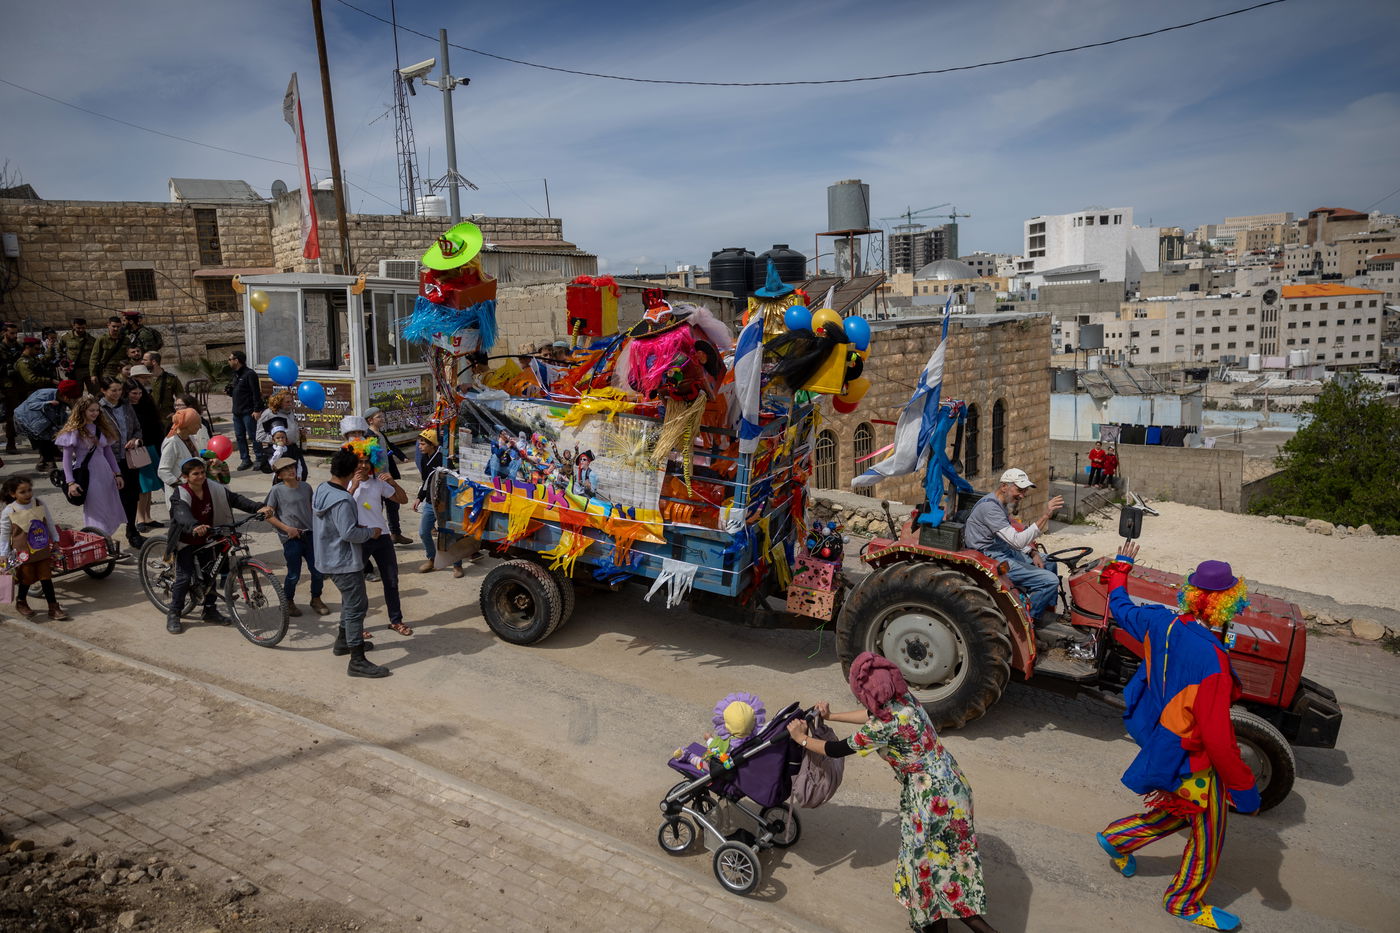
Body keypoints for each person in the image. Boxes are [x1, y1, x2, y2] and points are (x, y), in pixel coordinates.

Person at [1095, 541, 1260, 932]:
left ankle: (1118, 838)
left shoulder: (1161, 621)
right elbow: (1219, 738)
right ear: (1228, 603)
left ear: (1192, 595)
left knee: (1181, 809)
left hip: (1162, 736)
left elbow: (1121, 607)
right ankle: (1184, 902)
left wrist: (1120, 571)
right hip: (1193, 753)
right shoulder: (1213, 661)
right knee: (1209, 827)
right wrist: (1244, 785)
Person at [787, 652, 1000, 933]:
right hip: (953, 784)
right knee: (948, 866)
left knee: (927, 870)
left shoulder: (883, 726)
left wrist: (801, 738)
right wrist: (833, 715)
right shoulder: (904, 700)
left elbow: (835, 750)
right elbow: (872, 714)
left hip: (930, 800)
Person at [963, 468, 1076, 642]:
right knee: (1050, 580)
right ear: (1004, 487)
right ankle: (1030, 623)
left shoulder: (1000, 505)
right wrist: (1046, 515)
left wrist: (1032, 551)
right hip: (990, 556)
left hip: (1003, 549)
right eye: (1019, 490)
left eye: (1024, 491)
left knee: (1050, 562)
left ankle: (1046, 610)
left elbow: (1009, 539)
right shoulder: (990, 508)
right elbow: (1016, 541)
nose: (1022, 495)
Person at [163, 457, 271, 635]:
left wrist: (258, 507)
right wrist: (194, 526)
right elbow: (181, 513)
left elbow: (236, 499)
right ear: (185, 477)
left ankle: (210, 610)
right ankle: (174, 612)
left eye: (202, 473)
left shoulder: (214, 488)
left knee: (211, 574)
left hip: (210, 537)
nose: (200, 477)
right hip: (187, 540)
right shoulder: (181, 493)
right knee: (183, 577)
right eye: (195, 474)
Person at [312, 449, 390, 678]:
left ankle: (343, 642)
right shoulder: (343, 499)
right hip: (343, 560)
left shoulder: (323, 488)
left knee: (350, 602)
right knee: (357, 607)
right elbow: (348, 533)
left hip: (328, 556)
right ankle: (357, 660)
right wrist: (371, 533)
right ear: (350, 471)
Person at [348, 442, 412, 637]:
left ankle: (396, 621)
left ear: (373, 463)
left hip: (382, 536)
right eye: (359, 462)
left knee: (391, 580)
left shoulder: (379, 482)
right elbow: (340, 507)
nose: (363, 466)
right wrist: (354, 487)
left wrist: (393, 483)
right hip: (359, 538)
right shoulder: (347, 483)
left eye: (367, 462)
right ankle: (357, 626)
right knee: (356, 584)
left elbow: (403, 500)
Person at [264, 456, 329, 618]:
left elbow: (313, 510)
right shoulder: (276, 491)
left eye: (292, 467)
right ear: (279, 475)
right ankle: (288, 601)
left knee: (318, 570)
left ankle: (316, 598)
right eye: (285, 469)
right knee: (294, 573)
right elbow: (268, 515)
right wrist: (287, 529)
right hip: (291, 538)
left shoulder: (306, 487)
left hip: (310, 534)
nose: (290, 471)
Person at [55, 394, 126, 538]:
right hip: (87, 475)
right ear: (82, 411)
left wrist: (117, 474)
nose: (95, 413)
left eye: (97, 410)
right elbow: (66, 459)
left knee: (109, 508)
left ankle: (106, 542)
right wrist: (70, 482)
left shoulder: (101, 428)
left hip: (105, 474)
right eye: (91, 410)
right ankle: (100, 542)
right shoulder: (73, 431)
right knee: (95, 511)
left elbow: (108, 453)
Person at [0, 474, 68, 621]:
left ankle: (53, 607)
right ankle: (21, 602)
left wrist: (55, 539)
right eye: (22, 492)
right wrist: (3, 554)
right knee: (26, 578)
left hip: (42, 550)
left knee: (46, 577)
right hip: (22, 553)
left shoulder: (38, 503)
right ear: (13, 494)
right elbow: (4, 534)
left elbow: (49, 522)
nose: (28, 494)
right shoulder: (9, 511)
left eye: (29, 490)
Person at [97, 378, 145, 548]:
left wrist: (135, 439)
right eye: (113, 390)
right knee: (111, 498)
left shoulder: (126, 406)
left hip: (130, 458)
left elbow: (138, 428)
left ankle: (132, 530)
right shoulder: (98, 409)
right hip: (109, 460)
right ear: (103, 390)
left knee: (132, 496)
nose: (117, 394)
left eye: (119, 390)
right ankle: (105, 536)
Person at [413, 428, 463, 577]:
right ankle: (432, 558)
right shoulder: (423, 458)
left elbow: (455, 479)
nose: (419, 447)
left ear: (432, 444)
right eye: (419, 444)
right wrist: (419, 497)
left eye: (422, 444)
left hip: (445, 503)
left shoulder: (443, 458)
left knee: (450, 534)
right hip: (430, 502)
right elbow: (425, 482)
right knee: (423, 532)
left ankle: (457, 564)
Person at [364, 406, 411, 544]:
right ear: (370, 420)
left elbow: (391, 446)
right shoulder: (368, 437)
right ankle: (378, 536)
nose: (382, 419)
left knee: (393, 504)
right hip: (376, 479)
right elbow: (370, 458)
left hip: (386, 478)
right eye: (379, 417)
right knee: (377, 507)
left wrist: (402, 457)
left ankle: (396, 534)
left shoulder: (380, 434)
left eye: (382, 416)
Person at [124, 379, 165, 532]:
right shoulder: (125, 409)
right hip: (136, 450)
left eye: (140, 393)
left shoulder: (146, 405)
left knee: (150, 486)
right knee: (142, 486)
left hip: (150, 448)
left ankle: (147, 516)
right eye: (134, 393)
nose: (138, 396)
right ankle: (141, 518)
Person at [16, 380, 82, 472]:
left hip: (42, 421)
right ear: (64, 395)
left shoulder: (64, 400)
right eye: (70, 398)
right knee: (44, 438)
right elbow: (31, 405)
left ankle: (45, 460)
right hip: (25, 419)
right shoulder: (45, 394)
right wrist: (47, 403)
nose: (71, 400)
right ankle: (49, 462)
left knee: (52, 435)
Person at [225, 350, 263, 471]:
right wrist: (230, 392)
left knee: (253, 435)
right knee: (240, 436)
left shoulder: (249, 374)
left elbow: (255, 393)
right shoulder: (235, 374)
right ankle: (245, 459)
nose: (229, 361)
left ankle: (259, 458)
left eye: (230, 359)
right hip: (237, 412)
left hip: (248, 411)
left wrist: (257, 410)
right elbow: (239, 392)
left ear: (237, 360)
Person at [159, 407, 211, 490]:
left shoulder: (190, 438)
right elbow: (163, 471)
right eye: (197, 423)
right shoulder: (172, 442)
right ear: (187, 424)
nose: (200, 427)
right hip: (179, 494)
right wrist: (181, 486)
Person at [254, 391, 299, 471]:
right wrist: (278, 440)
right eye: (287, 402)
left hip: (293, 448)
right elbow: (259, 436)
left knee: (301, 472)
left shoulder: (290, 412)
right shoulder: (268, 414)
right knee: (286, 475)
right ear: (279, 403)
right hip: (279, 451)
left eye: (291, 401)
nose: (291, 404)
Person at [139, 352, 183, 428]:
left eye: (145, 360)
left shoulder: (171, 379)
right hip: (149, 418)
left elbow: (182, 397)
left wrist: (177, 413)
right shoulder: (143, 378)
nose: (142, 362)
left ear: (153, 362)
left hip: (167, 419)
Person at [0, 321, 23, 454]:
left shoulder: (19, 346)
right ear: (4, 333)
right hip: (5, 386)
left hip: (19, 384)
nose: (15, 336)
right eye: (12, 333)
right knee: (9, 415)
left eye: (16, 333)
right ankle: (10, 442)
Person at [89, 316, 127, 386]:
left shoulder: (126, 339)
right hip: (108, 369)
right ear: (108, 325)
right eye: (113, 326)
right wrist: (93, 374)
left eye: (118, 327)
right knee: (110, 389)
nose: (116, 329)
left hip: (123, 369)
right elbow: (94, 357)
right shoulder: (102, 339)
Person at [58, 317, 95, 386]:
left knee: (95, 391)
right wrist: (63, 362)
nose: (81, 330)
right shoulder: (66, 337)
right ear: (73, 326)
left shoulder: (91, 339)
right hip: (74, 371)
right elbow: (59, 349)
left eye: (83, 328)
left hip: (88, 370)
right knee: (76, 392)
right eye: (78, 328)